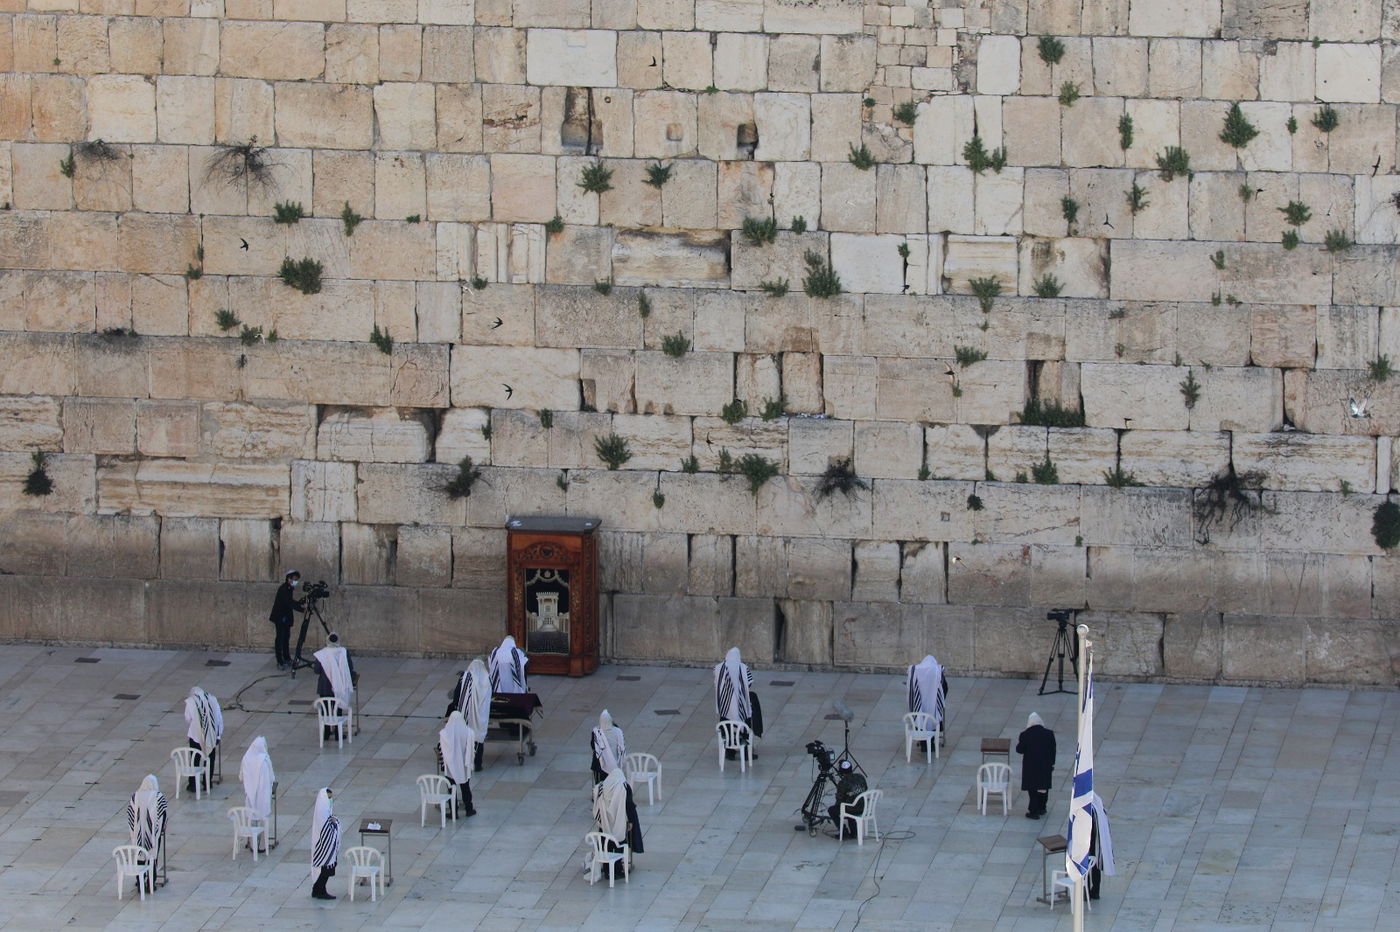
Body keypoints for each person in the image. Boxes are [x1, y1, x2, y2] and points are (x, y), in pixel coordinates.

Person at [714, 646, 763, 760]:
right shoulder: (743, 668)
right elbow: (749, 683)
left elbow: (716, 683)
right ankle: (746, 752)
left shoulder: (718, 668)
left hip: (725, 706)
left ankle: (729, 751)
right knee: (745, 724)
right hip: (742, 705)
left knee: (726, 724)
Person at [591, 764, 643, 868]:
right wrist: (631, 821)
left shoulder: (602, 786)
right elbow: (629, 806)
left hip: (605, 820)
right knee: (619, 842)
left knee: (606, 843)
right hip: (619, 820)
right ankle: (618, 869)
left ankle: (606, 869)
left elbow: (596, 800)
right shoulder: (623, 787)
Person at [449, 658, 492, 771]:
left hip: (467, 714)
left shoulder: (466, 677)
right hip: (481, 715)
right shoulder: (487, 679)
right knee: (478, 737)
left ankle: (463, 761)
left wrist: (456, 707)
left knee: (465, 736)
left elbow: (458, 694)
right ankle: (477, 763)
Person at [125, 775, 167, 889]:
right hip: (153, 834)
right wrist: (160, 829)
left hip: (137, 833)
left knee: (139, 855)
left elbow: (130, 814)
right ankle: (150, 883)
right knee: (152, 856)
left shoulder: (135, 797)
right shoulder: (158, 797)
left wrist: (134, 831)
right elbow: (163, 813)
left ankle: (139, 881)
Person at [312, 633, 356, 741]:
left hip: (324, 687)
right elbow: (350, 668)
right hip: (339, 686)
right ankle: (337, 734)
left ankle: (326, 733)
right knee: (338, 710)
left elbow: (316, 670)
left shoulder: (322, 654)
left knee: (325, 710)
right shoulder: (344, 652)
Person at [1016, 712, 1056, 820]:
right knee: (1043, 787)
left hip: (1031, 767)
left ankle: (1033, 811)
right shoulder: (1049, 734)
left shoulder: (1025, 734)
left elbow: (1019, 750)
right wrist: (1051, 763)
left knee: (1032, 789)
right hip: (1045, 766)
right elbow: (1053, 751)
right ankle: (1042, 807)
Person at [438, 709, 478, 818]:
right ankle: (469, 809)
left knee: (451, 789)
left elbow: (441, 748)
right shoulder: (469, 732)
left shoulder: (444, 734)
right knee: (465, 788)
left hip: (451, 767)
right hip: (464, 766)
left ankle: (453, 812)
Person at [183, 686, 223, 794]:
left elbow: (187, 718)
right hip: (211, 735)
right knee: (210, 759)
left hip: (195, 736)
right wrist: (218, 736)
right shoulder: (213, 699)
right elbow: (219, 718)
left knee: (194, 760)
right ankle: (207, 783)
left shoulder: (191, 702)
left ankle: (193, 784)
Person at [906, 654, 949, 749]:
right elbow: (944, 687)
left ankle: (923, 743)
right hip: (934, 705)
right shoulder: (937, 671)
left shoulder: (915, 670)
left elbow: (911, 688)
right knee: (933, 718)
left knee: (920, 718)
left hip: (920, 703)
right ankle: (931, 744)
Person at [269, 570, 304, 670]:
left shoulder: (289, 588)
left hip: (286, 618)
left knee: (286, 639)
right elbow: (288, 602)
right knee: (280, 639)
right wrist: (301, 609)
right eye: (294, 579)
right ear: (289, 579)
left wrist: (300, 603)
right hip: (280, 618)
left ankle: (287, 658)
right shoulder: (284, 589)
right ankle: (280, 661)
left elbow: (291, 602)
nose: (296, 582)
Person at [310, 788, 340, 900]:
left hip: (327, 844)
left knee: (325, 868)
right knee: (324, 869)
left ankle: (317, 889)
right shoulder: (322, 811)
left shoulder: (325, 809)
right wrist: (335, 823)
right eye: (329, 797)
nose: (331, 800)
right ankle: (320, 890)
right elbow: (325, 827)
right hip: (324, 846)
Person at [240, 736, 275, 829]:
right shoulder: (265, 760)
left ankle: (252, 838)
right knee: (263, 814)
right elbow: (271, 777)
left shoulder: (246, 759)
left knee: (251, 815)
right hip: (263, 795)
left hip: (250, 795)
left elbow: (241, 776)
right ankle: (263, 838)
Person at [827, 760, 868, 838]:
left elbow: (839, 800)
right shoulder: (860, 776)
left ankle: (843, 832)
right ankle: (854, 832)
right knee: (851, 803)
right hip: (863, 807)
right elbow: (865, 788)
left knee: (832, 810)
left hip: (853, 809)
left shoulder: (842, 783)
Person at [1087, 792, 1115, 899]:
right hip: (1097, 842)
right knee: (1096, 867)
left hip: (1092, 843)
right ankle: (1095, 891)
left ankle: (1089, 892)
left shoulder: (1091, 810)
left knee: (1091, 867)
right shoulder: (1098, 807)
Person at [589, 710, 625, 784]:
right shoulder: (618, 731)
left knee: (600, 785)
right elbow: (622, 746)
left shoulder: (596, 732)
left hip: (599, 765)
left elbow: (593, 746)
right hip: (614, 764)